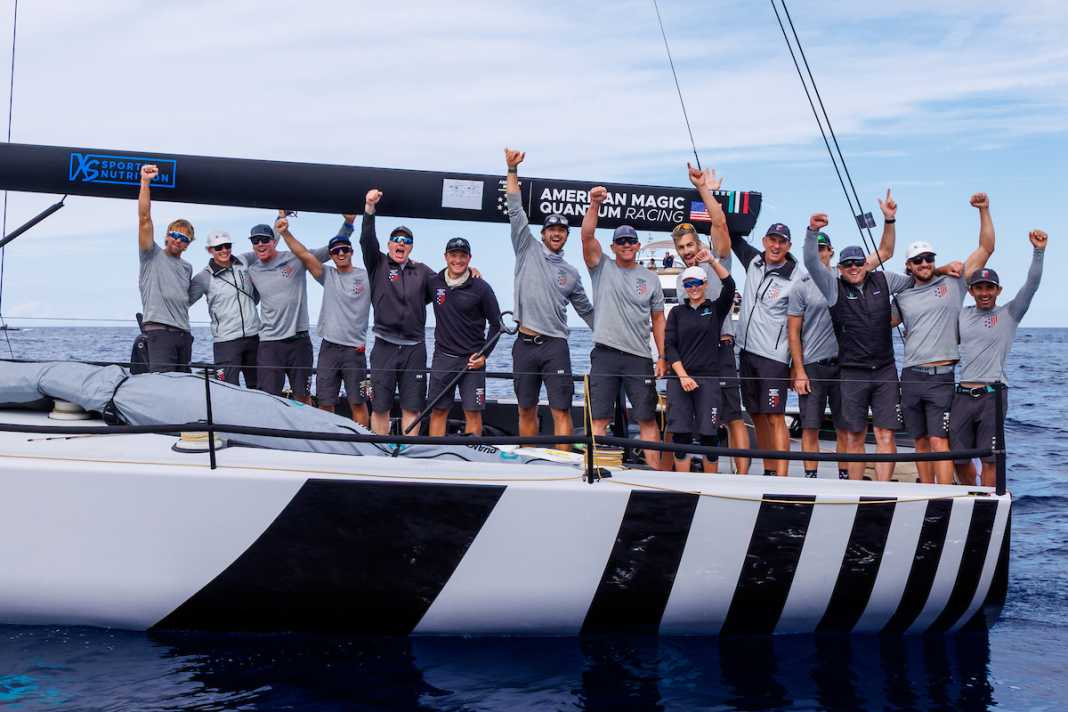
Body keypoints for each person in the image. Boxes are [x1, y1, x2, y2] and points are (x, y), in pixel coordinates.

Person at [894, 193, 996, 485]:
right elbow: (878, 319)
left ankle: (943, 494)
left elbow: (986, 248)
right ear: (909, 266)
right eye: (918, 260)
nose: (925, 263)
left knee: (940, 441)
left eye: (929, 259)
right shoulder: (901, 295)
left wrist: (984, 210)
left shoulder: (954, 282)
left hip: (941, 377)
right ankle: (925, 492)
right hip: (910, 375)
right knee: (920, 441)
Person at [803, 211, 914, 481]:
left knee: (885, 434)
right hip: (852, 372)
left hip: (885, 371)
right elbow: (810, 261)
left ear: (866, 264)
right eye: (847, 264)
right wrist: (811, 231)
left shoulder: (884, 280)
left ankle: (883, 489)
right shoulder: (832, 287)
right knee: (854, 434)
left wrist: (889, 220)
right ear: (839, 268)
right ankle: (854, 488)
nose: (853, 268)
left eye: (858, 263)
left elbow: (911, 273)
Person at [503, 149, 595, 449]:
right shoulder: (525, 247)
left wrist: (614, 336)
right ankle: (526, 463)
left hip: (556, 346)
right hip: (524, 344)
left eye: (562, 230)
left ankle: (565, 464)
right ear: (542, 234)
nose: (556, 234)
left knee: (561, 410)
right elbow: (515, 209)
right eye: (551, 229)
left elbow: (588, 313)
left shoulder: (571, 272)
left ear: (567, 235)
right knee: (525, 409)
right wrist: (512, 170)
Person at [672, 163, 750, 474]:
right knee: (685, 420)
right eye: (682, 248)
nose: (687, 251)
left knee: (731, 417)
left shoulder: (719, 258)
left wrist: (704, 188)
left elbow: (719, 221)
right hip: (692, 357)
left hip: (722, 350)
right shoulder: (682, 279)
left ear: (699, 244)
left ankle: (742, 479)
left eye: (691, 245)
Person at [952, 229, 1046, 487]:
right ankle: (972, 496)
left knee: (990, 460)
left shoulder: (1010, 314)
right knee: (959, 459)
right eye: (979, 288)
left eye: (989, 288)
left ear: (998, 290)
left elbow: (1032, 285)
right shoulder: (961, 315)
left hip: (992, 396)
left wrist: (1039, 252)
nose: (984, 293)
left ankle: (986, 502)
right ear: (971, 291)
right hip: (961, 395)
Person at [582, 187, 667, 469]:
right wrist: (594, 204)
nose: (627, 245)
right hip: (605, 354)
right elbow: (586, 235)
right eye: (621, 241)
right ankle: (594, 471)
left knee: (646, 418)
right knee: (600, 419)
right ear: (613, 246)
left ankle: (656, 475)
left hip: (639, 357)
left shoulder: (651, 279)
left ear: (638, 245)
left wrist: (663, 356)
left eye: (631, 241)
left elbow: (658, 320)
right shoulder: (600, 266)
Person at [276, 212, 371, 426]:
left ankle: (365, 445)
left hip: (355, 351)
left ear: (351, 251)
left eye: (344, 249)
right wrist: (285, 232)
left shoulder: (366, 276)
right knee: (325, 402)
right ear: (331, 254)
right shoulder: (327, 275)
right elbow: (303, 254)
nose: (340, 253)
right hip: (328, 349)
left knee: (358, 402)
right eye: (335, 251)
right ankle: (329, 443)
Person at [729, 220, 805, 476]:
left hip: (774, 358)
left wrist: (797, 365)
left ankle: (782, 477)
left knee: (775, 416)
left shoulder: (797, 278)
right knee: (756, 414)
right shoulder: (753, 261)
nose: (776, 245)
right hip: (746, 352)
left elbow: (800, 326)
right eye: (772, 239)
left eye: (782, 241)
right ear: (764, 241)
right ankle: (769, 470)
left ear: (789, 245)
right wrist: (709, 191)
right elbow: (729, 230)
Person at [359, 189, 437, 435]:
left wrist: (472, 272)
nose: (401, 244)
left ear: (411, 247)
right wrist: (370, 208)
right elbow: (366, 239)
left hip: (415, 348)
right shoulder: (377, 263)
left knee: (412, 408)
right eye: (396, 240)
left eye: (406, 241)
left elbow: (447, 283)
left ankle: (410, 454)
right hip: (384, 347)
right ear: (389, 244)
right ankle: (380, 453)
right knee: (380, 407)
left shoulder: (423, 271)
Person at [238, 220, 330, 403]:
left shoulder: (295, 257)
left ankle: (304, 430)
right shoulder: (252, 270)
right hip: (270, 345)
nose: (260, 244)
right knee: (269, 399)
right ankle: (273, 432)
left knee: (303, 396)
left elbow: (327, 252)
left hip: (299, 342)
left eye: (264, 240)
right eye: (255, 241)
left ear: (274, 241)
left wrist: (348, 225)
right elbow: (229, 261)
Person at [787, 230, 850, 479]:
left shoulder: (844, 278)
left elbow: (884, 253)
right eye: (816, 249)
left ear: (831, 251)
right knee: (810, 427)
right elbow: (793, 332)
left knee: (845, 428)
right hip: (813, 366)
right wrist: (799, 370)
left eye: (823, 249)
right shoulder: (800, 286)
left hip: (844, 365)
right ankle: (810, 476)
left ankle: (844, 475)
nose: (820, 253)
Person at [426, 237, 502, 436]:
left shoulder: (481, 288)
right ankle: (436, 456)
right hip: (443, 358)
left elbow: (497, 325)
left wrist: (484, 355)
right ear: (445, 257)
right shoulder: (434, 283)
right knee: (438, 410)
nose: (457, 260)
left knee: (473, 413)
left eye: (462, 256)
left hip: (472, 362)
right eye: (453, 255)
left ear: (469, 258)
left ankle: (472, 460)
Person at [665, 264, 736, 472]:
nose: (693, 288)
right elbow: (670, 346)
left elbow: (729, 285)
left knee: (709, 436)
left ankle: (709, 486)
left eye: (697, 283)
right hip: (681, 380)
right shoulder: (677, 312)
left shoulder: (715, 309)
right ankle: (683, 486)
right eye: (688, 284)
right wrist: (683, 376)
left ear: (705, 284)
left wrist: (712, 260)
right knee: (681, 437)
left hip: (709, 379)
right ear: (684, 287)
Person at [136, 164, 194, 373]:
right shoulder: (151, 254)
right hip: (159, 332)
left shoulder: (188, 267)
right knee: (161, 387)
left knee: (182, 387)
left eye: (184, 239)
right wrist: (145, 182)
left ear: (188, 244)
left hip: (183, 335)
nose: (178, 241)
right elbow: (144, 219)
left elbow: (187, 298)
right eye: (175, 235)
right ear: (167, 235)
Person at [189, 230, 262, 387]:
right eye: (218, 247)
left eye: (227, 245)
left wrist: (280, 221)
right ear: (210, 250)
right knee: (228, 389)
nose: (224, 250)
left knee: (259, 389)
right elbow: (182, 303)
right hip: (226, 343)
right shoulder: (203, 278)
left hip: (254, 337)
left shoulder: (244, 261)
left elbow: (266, 246)